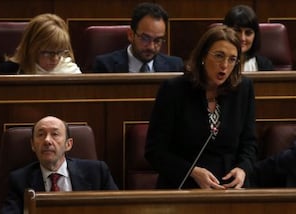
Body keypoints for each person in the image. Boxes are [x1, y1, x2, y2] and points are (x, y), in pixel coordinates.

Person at [144, 25, 257, 190]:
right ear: (203, 56)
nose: (225, 65)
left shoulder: (243, 89)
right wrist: (192, 172)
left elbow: (249, 143)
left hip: (231, 188)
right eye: (219, 56)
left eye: (232, 59)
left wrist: (243, 169)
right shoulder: (174, 90)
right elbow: (154, 152)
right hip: (185, 187)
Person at [1, 116, 118, 213]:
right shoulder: (19, 180)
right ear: (32, 145)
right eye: (41, 135)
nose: (47, 140)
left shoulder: (97, 172)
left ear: (68, 144)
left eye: (55, 134)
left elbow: (117, 209)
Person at [92, 2, 184, 73]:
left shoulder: (175, 66)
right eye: (145, 38)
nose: (151, 47)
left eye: (157, 40)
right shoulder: (105, 66)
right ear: (131, 35)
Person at [0, 13, 81, 75]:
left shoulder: (71, 71)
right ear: (31, 48)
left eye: (60, 52)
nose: (55, 59)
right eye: (48, 52)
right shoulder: (10, 71)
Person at [223, 5, 274, 71]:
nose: (242, 38)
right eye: (237, 31)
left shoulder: (265, 65)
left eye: (248, 33)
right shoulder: (216, 63)